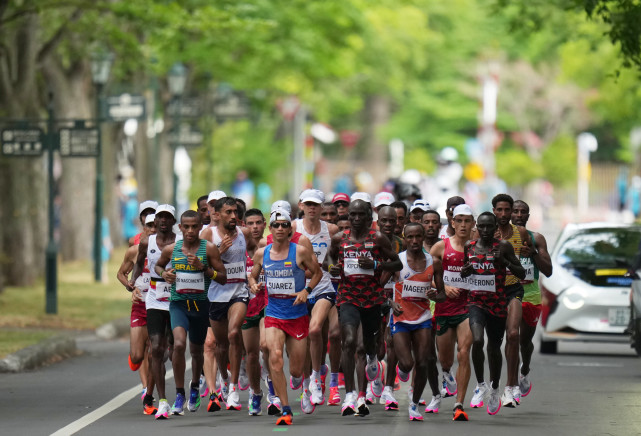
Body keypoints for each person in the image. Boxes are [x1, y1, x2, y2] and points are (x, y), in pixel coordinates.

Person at [327, 199, 402, 417]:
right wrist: (333, 268)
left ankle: (370, 368)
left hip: (372, 300)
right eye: (353, 215)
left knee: (370, 348)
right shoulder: (339, 239)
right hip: (348, 298)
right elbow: (328, 260)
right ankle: (354, 395)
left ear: (369, 217)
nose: (357, 219)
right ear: (348, 216)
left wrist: (377, 265)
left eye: (361, 215)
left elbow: (397, 263)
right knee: (351, 343)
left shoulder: (377, 238)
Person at [249, 209, 323, 425]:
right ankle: (286, 408)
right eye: (276, 225)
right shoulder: (262, 253)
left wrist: (306, 291)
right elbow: (252, 274)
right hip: (273, 312)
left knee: (297, 369)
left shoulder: (300, 251)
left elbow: (317, 272)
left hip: (297, 315)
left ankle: (299, 381)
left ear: (290, 229)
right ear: (270, 229)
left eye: (284, 225)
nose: (280, 228)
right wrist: (254, 284)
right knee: (275, 357)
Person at [154, 210, 226, 415]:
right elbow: (158, 266)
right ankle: (179, 392)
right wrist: (164, 274)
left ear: (200, 227)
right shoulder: (172, 249)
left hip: (200, 306)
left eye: (195, 226)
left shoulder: (209, 249)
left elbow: (222, 277)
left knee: (196, 351)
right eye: (186, 226)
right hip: (178, 304)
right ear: (180, 228)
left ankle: (194, 385)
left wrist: (203, 267)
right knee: (178, 344)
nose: (191, 230)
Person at [460, 212, 525, 416]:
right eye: (482, 227)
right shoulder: (469, 247)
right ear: (477, 227)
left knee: (494, 347)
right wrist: (465, 271)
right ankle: (481, 384)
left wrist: (505, 262)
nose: (486, 231)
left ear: (495, 226)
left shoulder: (503, 246)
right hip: (476, 302)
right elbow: (465, 270)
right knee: (477, 341)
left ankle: (495, 387)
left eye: (490, 227)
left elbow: (521, 272)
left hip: (497, 303)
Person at [200, 197, 256, 411]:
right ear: (218, 215)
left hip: (239, 293)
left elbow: (251, 253)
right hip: (216, 295)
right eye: (228, 212)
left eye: (235, 212)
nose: (233, 216)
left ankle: (233, 389)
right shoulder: (208, 235)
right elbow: (199, 265)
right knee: (220, 345)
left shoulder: (244, 233)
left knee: (234, 334)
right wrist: (219, 251)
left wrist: (252, 275)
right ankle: (224, 378)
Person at [292, 189, 340, 410]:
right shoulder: (292, 228)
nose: (312, 208)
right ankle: (305, 385)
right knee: (304, 340)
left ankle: (315, 378)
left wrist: (334, 268)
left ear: (322, 207)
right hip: (298, 291)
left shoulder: (331, 230)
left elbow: (336, 258)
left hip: (323, 287)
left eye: (316, 205)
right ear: (301, 205)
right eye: (308, 204)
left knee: (315, 331)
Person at [130, 204, 178, 419]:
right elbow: (139, 264)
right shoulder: (146, 242)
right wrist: (134, 280)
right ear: (155, 221)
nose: (164, 221)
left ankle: (150, 393)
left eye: (168, 217)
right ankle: (163, 400)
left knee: (172, 350)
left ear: (173, 221)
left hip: (177, 300)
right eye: (160, 217)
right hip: (154, 300)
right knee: (156, 349)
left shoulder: (181, 242)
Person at [388, 223, 438, 421]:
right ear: (405, 238)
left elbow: (441, 294)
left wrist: (436, 294)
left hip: (423, 318)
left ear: (423, 237)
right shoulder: (397, 261)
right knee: (407, 364)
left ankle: (414, 404)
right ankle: (402, 368)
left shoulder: (433, 262)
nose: (415, 241)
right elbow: (379, 287)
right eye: (410, 237)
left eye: (418, 236)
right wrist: (390, 303)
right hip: (400, 318)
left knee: (423, 362)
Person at [430, 204, 475, 421]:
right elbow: (426, 273)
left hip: (468, 308)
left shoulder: (478, 248)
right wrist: (444, 288)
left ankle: (459, 404)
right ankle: (447, 374)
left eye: (468, 221)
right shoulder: (440, 247)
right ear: (453, 223)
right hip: (444, 308)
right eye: (460, 221)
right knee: (445, 360)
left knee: (464, 353)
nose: (464, 225)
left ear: (473, 224)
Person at [492, 193, 532, 407]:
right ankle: (489, 385)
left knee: (514, 334)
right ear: (493, 211)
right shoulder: (485, 232)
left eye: (508, 209)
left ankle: (511, 387)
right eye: (500, 209)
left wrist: (529, 252)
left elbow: (527, 257)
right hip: (490, 293)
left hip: (513, 289)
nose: (505, 214)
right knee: (492, 342)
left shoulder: (521, 232)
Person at [511, 200, 553, 400]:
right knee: (512, 337)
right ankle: (511, 386)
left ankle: (525, 368)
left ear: (528, 216)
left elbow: (548, 271)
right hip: (510, 295)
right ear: (509, 214)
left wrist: (534, 254)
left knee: (525, 341)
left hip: (531, 296)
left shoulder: (537, 239)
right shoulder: (500, 239)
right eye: (515, 211)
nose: (519, 214)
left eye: (523, 212)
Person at [116, 213, 156, 415]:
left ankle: (147, 392)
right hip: (140, 305)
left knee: (154, 350)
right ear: (144, 227)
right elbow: (121, 274)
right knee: (138, 354)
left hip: (158, 305)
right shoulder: (133, 251)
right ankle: (135, 356)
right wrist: (131, 287)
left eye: (157, 225)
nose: (153, 228)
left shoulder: (167, 250)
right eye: (150, 225)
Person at [374, 206, 404, 410]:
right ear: (378, 220)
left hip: (397, 295)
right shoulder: (369, 241)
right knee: (376, 344)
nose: (387, 224)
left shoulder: (402, 243)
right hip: (372, 295)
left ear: (397, 223)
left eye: (391, 221)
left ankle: (388, 388)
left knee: (391, 341)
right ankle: (372, 377)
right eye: (383, 220)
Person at [242, 208, 269, 416]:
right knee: (251, 354)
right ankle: (256, 392)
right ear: (244, 225)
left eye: (258, 223)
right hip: (245, 304)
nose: (254, 227)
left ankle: (274, 389)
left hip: (268, 303)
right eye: (250, 223)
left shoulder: (272, 246)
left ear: (265, 224)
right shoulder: (236, 248)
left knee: (266, 346)